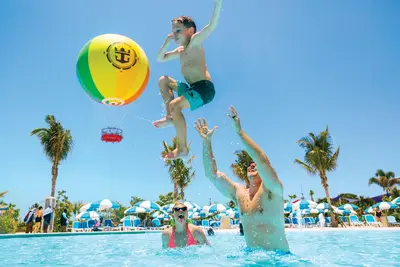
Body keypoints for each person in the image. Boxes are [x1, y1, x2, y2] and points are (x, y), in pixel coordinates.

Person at [194, 106, 290, 252]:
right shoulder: (240, 193)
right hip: (251, 259)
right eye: (249, 165)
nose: (252, 166)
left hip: (279, 260)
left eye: (255, 165)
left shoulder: (272, 189)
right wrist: (206, 142)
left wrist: (239, 132)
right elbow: (211, 175)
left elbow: (263, 161)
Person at [153, 0, 223, 160]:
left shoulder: (195, 42)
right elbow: (160, 58)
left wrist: (218, 4)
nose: (175, 34)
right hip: (192, 89)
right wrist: (166, 42)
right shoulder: (180, 50)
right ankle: (171, 117)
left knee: (174, 105)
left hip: (204, 89)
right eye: (173, 31)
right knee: (163, 80)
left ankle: (182, 149)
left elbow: (211, 26)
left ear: (190, 31)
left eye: (178, 30)